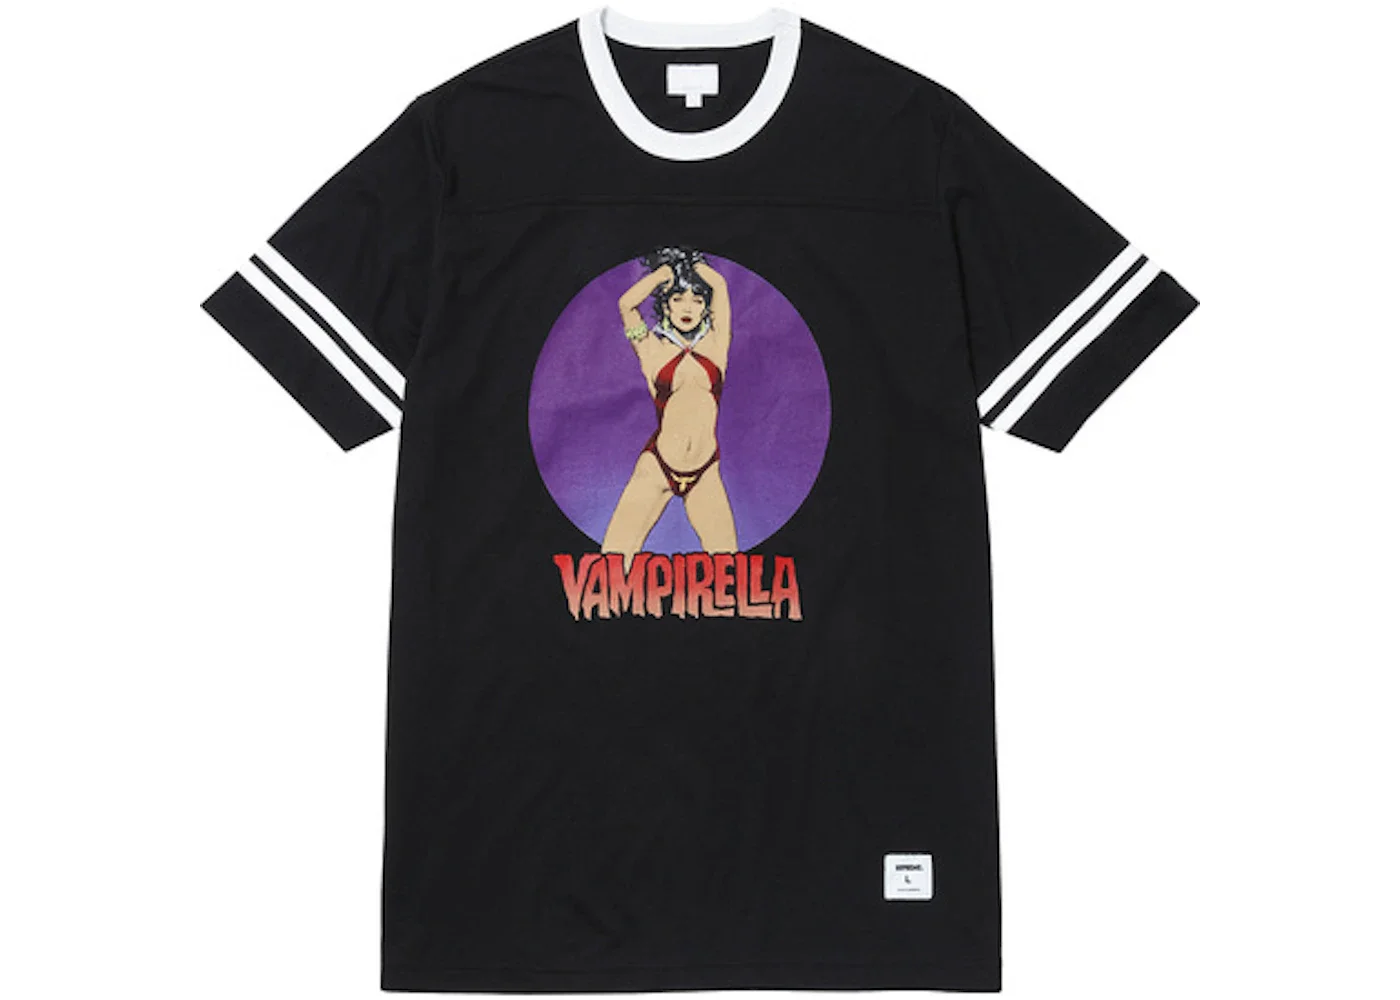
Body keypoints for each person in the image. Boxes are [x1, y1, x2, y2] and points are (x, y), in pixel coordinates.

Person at [602, 247, 738, 568]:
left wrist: (693, 265)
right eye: (678, 299)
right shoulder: (650, 347)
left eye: (697, 300)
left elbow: (719, 285)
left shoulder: (718, 343)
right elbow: (626, 305)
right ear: (665, 305)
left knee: (732, 572)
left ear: (706, 308)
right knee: (610, 564)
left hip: (705, 472)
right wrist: (664, 274)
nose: (688, 307)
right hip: (657, 468)